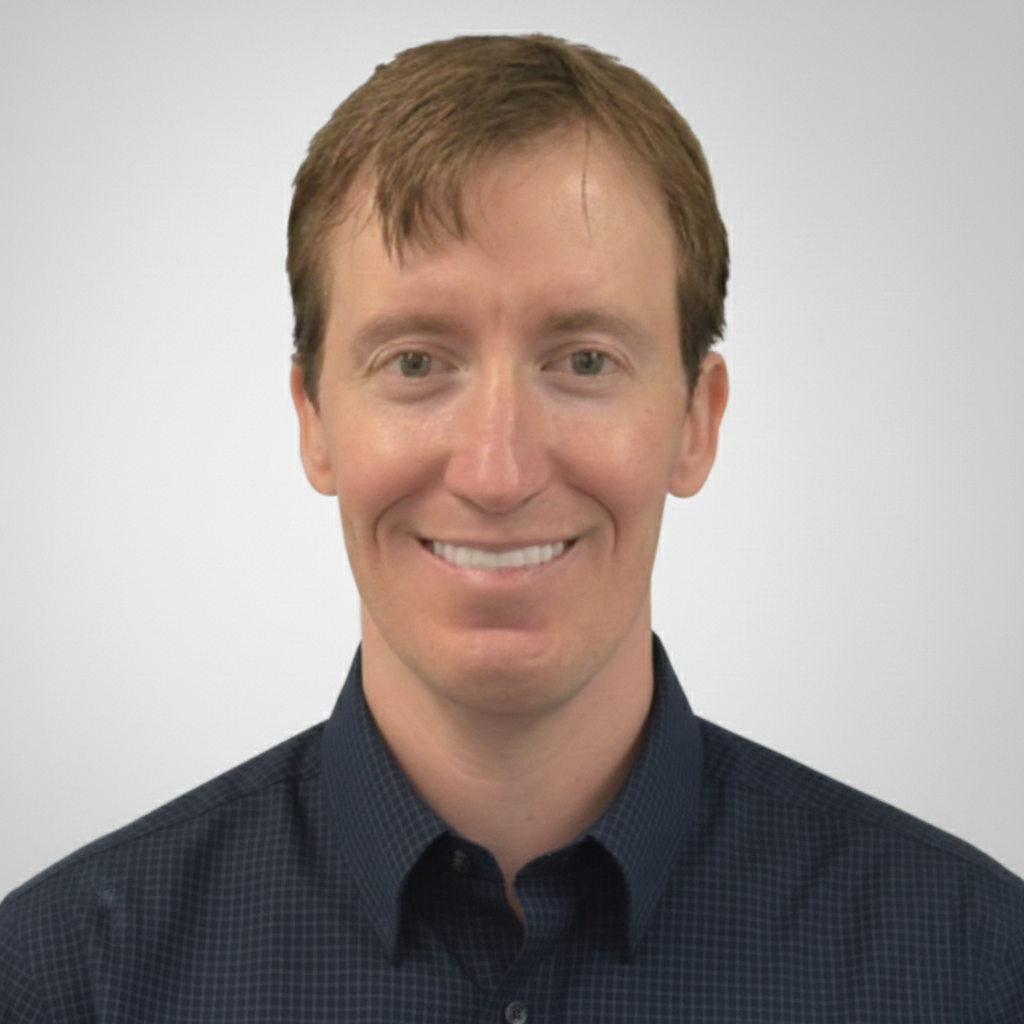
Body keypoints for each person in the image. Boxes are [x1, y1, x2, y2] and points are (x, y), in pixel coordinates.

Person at [1, 33, 1021, 1022]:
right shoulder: (65, 982)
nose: (496, 472)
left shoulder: (972, 968)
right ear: (313, 421)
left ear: (695, 423)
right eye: (415, 362)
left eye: (581, 361)